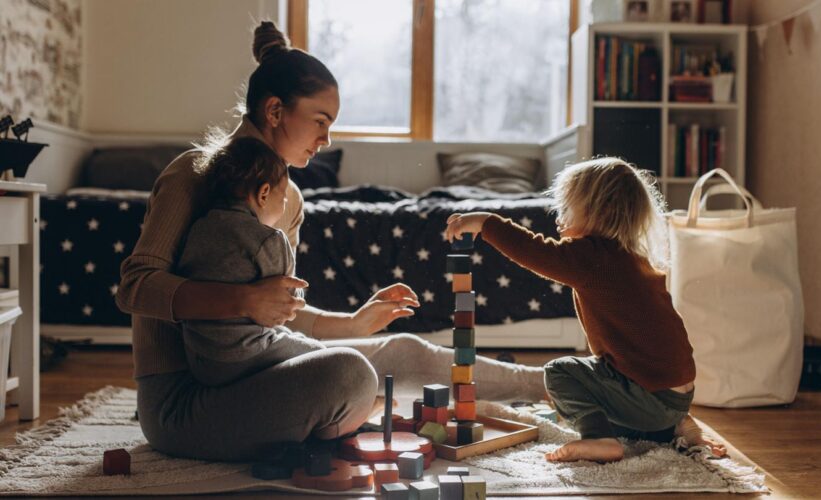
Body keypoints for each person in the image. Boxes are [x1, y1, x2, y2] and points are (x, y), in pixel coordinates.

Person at [117, 21, 545, 461]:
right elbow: (135, 287)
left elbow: (279, 313)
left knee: (401, 350)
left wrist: (354, 323)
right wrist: (243, 301)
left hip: (257, 370)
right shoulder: (192, 173)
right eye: (320, 122)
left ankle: (550, 384)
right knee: (348, 376)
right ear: (275, 111)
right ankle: (338, 420)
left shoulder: (291, 200)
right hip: (183, 403)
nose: (326, 140)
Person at [445, 158, 727, 463]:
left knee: (560, 372)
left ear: (597, 211)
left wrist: (486, 222)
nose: (558, 220)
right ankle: (672, 426)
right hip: (676, 395)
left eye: (567, 210)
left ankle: (599, 439)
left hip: (650, 395)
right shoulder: (631, 256)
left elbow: (534, 250)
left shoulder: (593, 256)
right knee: (601, 392)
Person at [177, 136, 322, 387]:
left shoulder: (199, 227)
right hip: (248, 353)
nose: (285, 205)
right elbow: (289, 300)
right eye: (284, 199)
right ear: (264, 193)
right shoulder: (268, 239)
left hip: (200, 359)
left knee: (286, 338)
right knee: (324, 356)